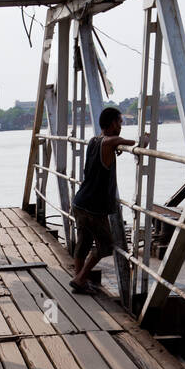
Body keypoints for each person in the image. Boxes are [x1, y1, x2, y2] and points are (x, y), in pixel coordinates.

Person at [70, 106, 146, 293]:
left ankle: (80, 282)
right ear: (112, 123)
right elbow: (135, 143)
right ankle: (80, 278)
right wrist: (145, 139)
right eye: (120, 122)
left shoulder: (93, 141)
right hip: (95, 207)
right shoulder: (113, 141)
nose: (121, 125)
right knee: (105, 246)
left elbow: (108, 148)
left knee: (83, 243)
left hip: (80, 201)